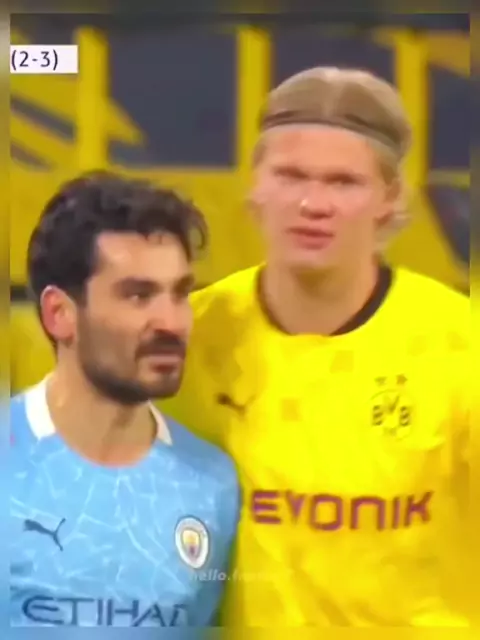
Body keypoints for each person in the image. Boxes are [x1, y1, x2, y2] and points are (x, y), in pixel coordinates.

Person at [162, 67, 473, 627]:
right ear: (256, 185)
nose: (313, 203)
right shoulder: (188, 337)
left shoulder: (460, 344)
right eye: (291, 176)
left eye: (343, 182)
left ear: (389, 198)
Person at [10, 172, 240, 628]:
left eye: (181, 293)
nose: (172, 322)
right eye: (138, 295)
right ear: (60, 314)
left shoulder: (213, 484)